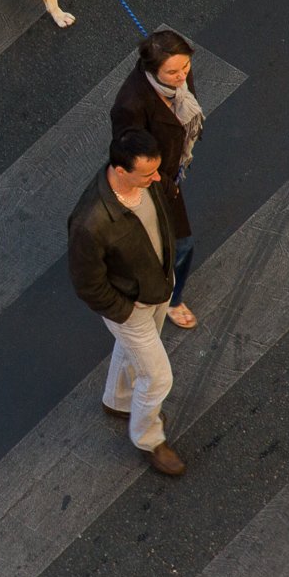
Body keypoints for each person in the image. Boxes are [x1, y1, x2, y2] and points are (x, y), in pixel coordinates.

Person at [67, 128, 185, 476]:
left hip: (158, 286)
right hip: (130, 306)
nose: (157, 178)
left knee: (131, 353)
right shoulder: (91, 222)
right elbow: (87, 283)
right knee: (159, 378)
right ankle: (148, 438)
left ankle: (117, 402)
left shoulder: (144, 184)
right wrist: (123, 310)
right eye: (148, 173)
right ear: (120, 171)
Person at [109, 30, 205, 329]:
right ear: (153, 70)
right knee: (182, 243)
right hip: (152, 181)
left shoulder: (175, 77)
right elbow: (128, 155)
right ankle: (168, 299)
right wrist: (164, 184)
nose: (182, 77)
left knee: (168, 242)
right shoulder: (131, 104)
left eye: (185, 68)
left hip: (170, 170)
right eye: (173, 71)